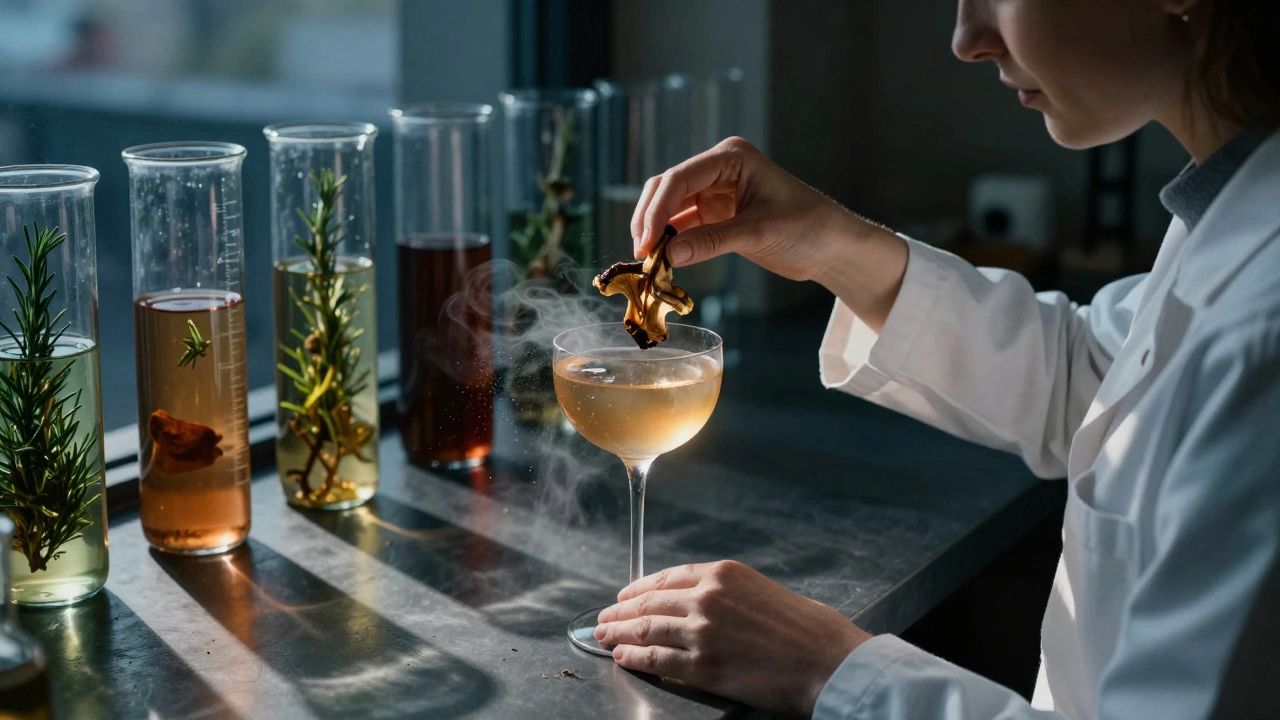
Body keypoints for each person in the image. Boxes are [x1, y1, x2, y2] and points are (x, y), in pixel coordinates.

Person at [589, 0, 1280, 718]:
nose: (966, 40)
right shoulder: (1228, 213)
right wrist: (831, 244)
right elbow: (1098, 379)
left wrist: (827, 670)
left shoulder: (1264, 328)